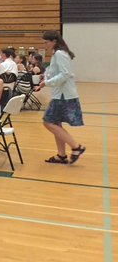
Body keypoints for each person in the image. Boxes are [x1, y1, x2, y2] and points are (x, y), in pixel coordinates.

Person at [37, 31, 85, 164]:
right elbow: (55, 71)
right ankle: (61, 155)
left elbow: (65, 74)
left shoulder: (59, 53)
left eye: (46, 42)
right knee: (55, 123)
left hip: (63, 96)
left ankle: (76, 147)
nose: (45, 45)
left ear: (54, 41)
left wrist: (46, 82)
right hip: (60, 94)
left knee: (48, 122)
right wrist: (45, 77)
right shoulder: (57, 54)